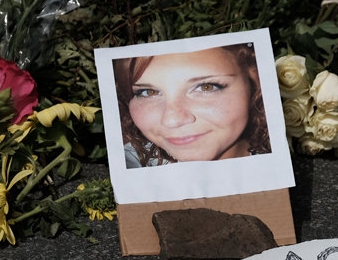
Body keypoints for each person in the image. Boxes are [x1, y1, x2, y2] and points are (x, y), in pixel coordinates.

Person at [114, 42, 271, 168]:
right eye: (148, 92)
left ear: (255, 83)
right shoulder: (126, 163)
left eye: (206, 87)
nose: (172, 120)